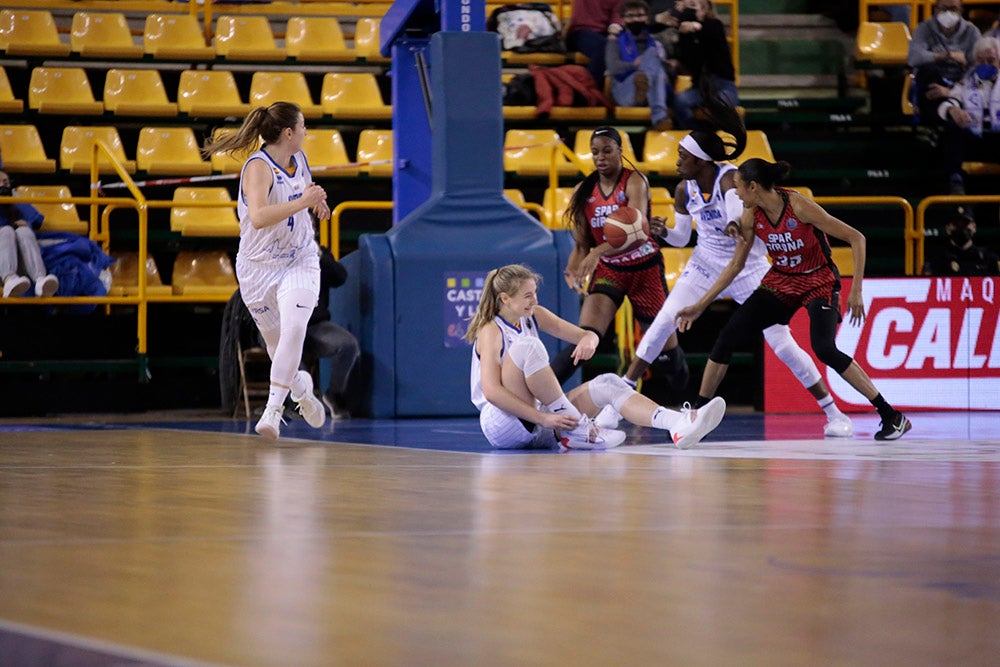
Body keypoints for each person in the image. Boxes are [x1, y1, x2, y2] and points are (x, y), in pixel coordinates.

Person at [601, 116, 854, 438]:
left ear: (701, 161)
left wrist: (735, 224)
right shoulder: (683, 189)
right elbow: (681, 238)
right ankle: (614, 404)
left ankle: (833, 413)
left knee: (782, 343)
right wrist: (664, 231)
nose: (677, 161)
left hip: (748, 268)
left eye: (683, 156)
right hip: (706, 263)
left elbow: (737, 212)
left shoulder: (729, 179)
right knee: (665, 318)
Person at [676, 159, 912, 441]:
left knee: (824, 348)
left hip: (817, 280)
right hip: (781, 281)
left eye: (738, 188)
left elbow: (856, 238)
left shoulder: (799, 206)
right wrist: (701, 305)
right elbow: (735, 266)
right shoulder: (751, 215)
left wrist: (856, 290)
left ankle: (891, 415)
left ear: (753, 186)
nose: (736, 194)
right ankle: (699, 417)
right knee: (727, 337)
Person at [465, 263, 726, 450]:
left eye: (535, 293)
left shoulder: (535, 315)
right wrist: (544, 418)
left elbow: (585, 335)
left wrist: (589, 339)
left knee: (609, 383)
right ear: (505, 299)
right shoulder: (491, 330)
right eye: (527, 295)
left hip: (541, 419)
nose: (534, 300)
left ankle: (677, 424)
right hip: (502, 422)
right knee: (528, 348)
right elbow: (491, 392)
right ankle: (579, 427)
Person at [207, 101, 330, 441]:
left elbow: (304, 188)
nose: (306, 132)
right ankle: (302, 391)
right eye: (302, 126)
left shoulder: (299, 159)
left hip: (299, 258)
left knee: (295, 327)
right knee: (280, 352)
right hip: (258, 268)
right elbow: (259, 217)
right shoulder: (257, 168)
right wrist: (304, 202)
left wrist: (315, 199)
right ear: (288, 132)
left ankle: (273, 411)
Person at [554, 126, 688, 390]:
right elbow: (582, 244)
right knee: (585, 338)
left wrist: (597, 252)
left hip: (645, 269)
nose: (601, 157)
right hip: (611, 271)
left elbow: (637, 230)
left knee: (665, 354)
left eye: (607, 150)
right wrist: (572, 268)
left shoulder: (635, 181)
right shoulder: (584, 189)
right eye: (595, 153)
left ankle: (689, 401)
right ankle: (537, 396)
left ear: (620, 151)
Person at [935, 36, 1000, 194]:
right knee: (952, 129)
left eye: (991, 60)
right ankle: (956, 181)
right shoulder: (966, 82)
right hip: (974, 140)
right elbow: (949, 102)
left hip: (997, 141)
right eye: (980, 60)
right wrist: (953, 111)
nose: (985, 65)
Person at [304, 245, 361, 419]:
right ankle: (299, 401)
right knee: (288, 350)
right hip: (281, 326)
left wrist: (321, 257)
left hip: (315, 325)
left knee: (348, 345)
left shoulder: (317, 252)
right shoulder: (277, 250)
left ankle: (334, 394)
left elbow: (339, 277)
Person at [907, 0, 981, 128]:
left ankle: (949, 114)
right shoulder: (924, 28)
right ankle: (950, 113)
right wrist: (947, 55)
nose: (948, 13)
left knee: (976, 76)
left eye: (953, 9)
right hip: (933, 82)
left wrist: (951, 91)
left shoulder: (972, 31)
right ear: (936, 10)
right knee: (926, 70)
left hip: (959, 84)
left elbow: (977, 66)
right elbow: (913, 58)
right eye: (944, 8)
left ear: (961, 11)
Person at [668, 0, 739, 130]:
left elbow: (710, 30)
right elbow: (687, 60)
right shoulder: (686, 36)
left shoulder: (715, 26)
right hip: (700, 87)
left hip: (723, 85)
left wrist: (696, 26)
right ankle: (694, 134)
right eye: (688, 7)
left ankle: (723, 135)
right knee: (680, 101)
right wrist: (684, 35)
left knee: (722, 102)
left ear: (705, 9)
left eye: (694, 6)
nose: (691, 10)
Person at [606, 0, 674, 130]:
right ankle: (659, 116)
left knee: (653, 57)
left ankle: (644, 81)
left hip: (653, 92)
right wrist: (634, 65)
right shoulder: (614, 40)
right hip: (626, 92)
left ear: (646, 18)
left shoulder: (654, 41)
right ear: (622, 19)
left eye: (639, 15)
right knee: (653, 59)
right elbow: (613, 67)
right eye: (630, 16)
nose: (636, 19)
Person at [0, 170, 59, 298]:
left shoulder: (16, 205)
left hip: (20, 266)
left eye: (5, 182)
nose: (2, 186)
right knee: (6, 231)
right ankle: (9, 279)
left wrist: (14, 200)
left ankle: (40, 280)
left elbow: (38, 221)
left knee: (24, 231)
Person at [923, 209, 1000, 276]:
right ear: (948, 229)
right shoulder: (937, 260)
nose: (962, 228)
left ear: (974, 227)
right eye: (957, 224)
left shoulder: (988, 258)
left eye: (965, 224)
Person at [566, 0, 621, 87]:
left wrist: (613, 33)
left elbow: (617, 17)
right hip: (579, 31)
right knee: (604, 47)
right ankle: (589, 91)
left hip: (603, 34)